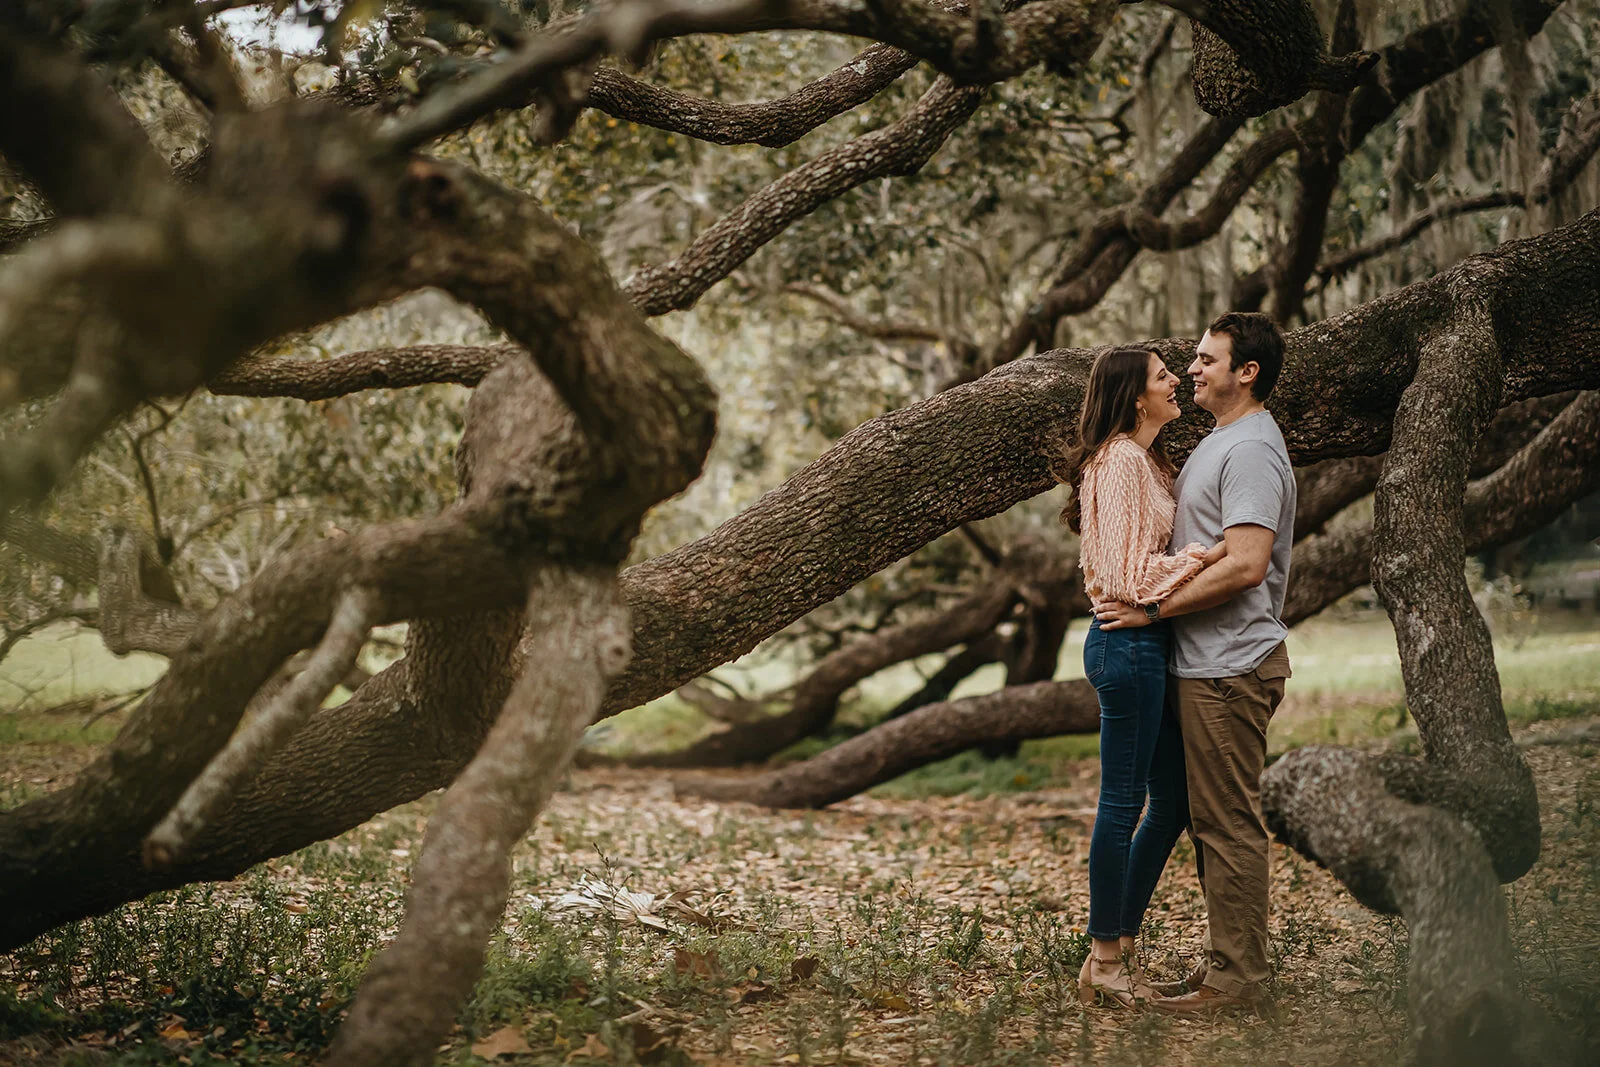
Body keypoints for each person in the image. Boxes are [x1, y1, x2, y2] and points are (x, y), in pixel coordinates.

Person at [1093, 312, 1296, 1016]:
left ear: (1248, 373)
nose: (1191, 369)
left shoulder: (1250, 452)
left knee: (1226, 824)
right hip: (1198, 663)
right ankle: (1212, 969)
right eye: (1188, 360)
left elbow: (1245, 564)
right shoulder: (1215, 442)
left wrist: (1150, 612)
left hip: (1230, 667)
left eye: (1208, 359)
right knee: (1193, 814)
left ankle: (1236, 983)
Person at [1057, 346, 1225, 1009]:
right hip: (1127, 645)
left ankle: (1119, 944)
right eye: (1163, 376)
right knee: (1123, 802)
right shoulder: (1123, 460)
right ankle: (1104, 954)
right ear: (1134, 396)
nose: (1177, 380)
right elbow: (1129, 577)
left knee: (1173, 800)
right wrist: (1201, 556)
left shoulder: (1142, 459)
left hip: (1139, 642)